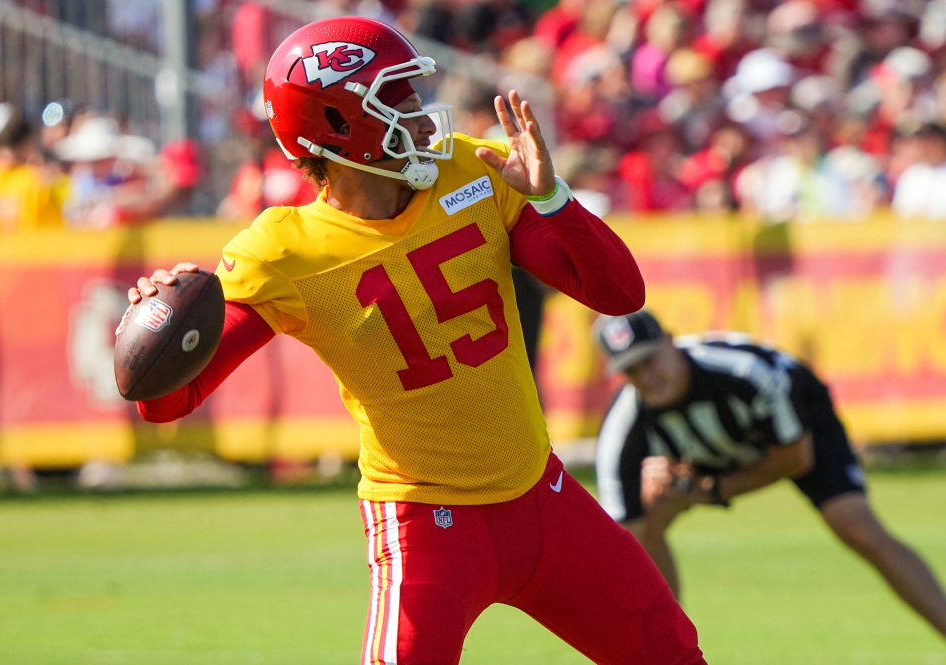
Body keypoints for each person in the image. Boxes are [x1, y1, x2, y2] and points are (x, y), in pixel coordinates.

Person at [122, 17, 704, 665]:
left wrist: (552, 199)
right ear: (337, 123)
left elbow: (619, 295)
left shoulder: (470, 169)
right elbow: (164, 401)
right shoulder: (284, 249)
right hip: (426, 522)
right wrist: (156, 328)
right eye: (393, 99)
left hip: (542, 498)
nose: (420, 115)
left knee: (671, 653)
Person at [594, 310, 946, 639]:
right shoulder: (622, 426)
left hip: (794, 434)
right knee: (645, 521)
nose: (647, 378)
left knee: (856, 527)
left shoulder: (744, 373)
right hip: (703, 456)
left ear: (670, 341)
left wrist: (714, 488)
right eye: (632, 371)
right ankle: (668, 649)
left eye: (650, 360)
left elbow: (796, 459)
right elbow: (624, 538)